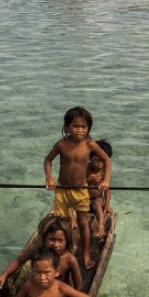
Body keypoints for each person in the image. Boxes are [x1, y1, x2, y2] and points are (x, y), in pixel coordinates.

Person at [44, 106, 111, 269]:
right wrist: (49, 177)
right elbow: (48, 160)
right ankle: (58, 254)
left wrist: (106, 179)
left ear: (88, 128)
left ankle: (86, 254)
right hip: (63, 190)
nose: (79, 130)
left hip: (81, 190)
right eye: (75, 126)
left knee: (83, 223)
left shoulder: (90, 145)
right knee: (59, 223)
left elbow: (107, 161)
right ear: (67, 127)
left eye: (83, 127)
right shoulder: (61, 144)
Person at [0, 214, 81, 291]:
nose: (56, 244)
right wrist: (4, 274)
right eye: (52, 240)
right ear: (45, 239)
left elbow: (78, 286)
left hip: (58, 294)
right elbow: (19, 260)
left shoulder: (69, 259)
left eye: (60, 241)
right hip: (38, 290)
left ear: (67, 241)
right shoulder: (38, 250)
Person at [87, 139, 113, 238]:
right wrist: (89, 179)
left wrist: (106, 205)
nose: (100, 164)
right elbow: (80, 184)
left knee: (97, 205)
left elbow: (107, 190)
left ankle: (101, 226)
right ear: (90, 158)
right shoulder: (86, 168)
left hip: (98, 197)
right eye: (97, 160)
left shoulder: (104, 172)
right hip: (85, 197)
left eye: (103, 161)